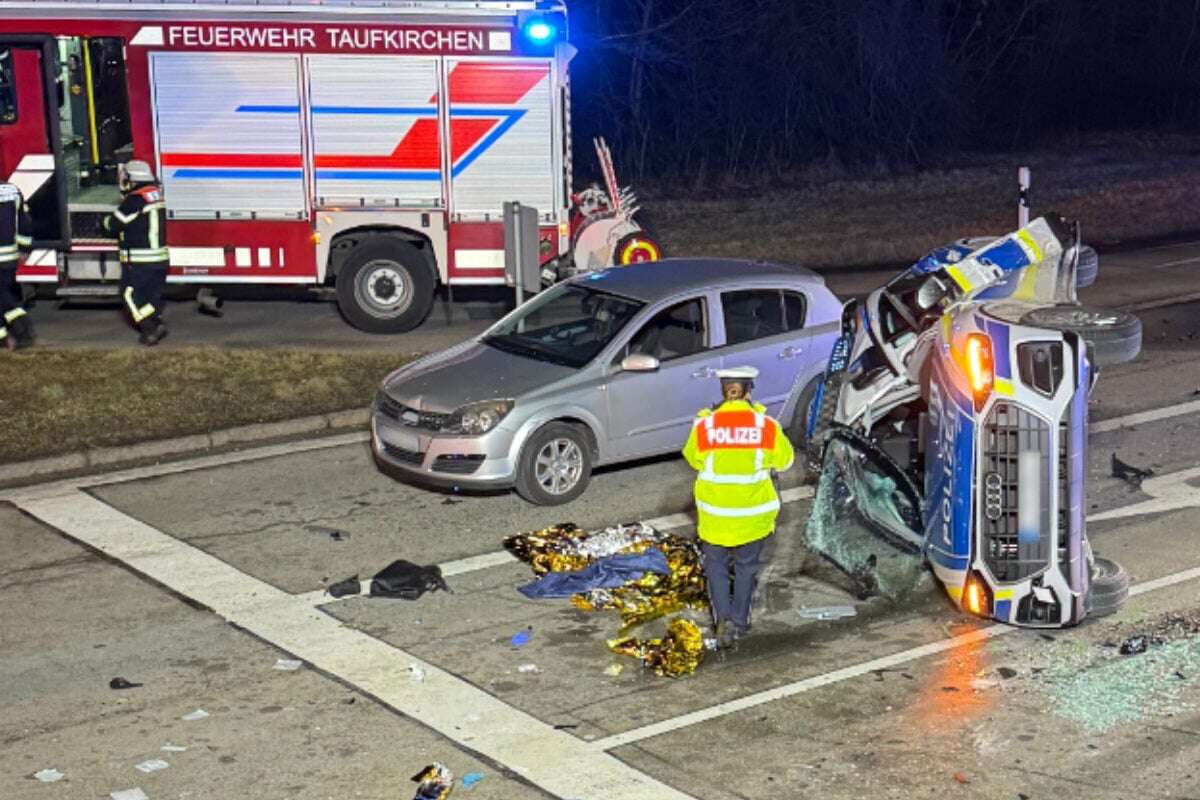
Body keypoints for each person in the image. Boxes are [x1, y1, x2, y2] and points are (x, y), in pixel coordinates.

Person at [682, 366, 794, 649]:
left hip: (715, 516)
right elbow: (785, 461)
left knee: (716, 568)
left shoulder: (705, 425)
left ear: (724, 390)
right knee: (746, 569)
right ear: (747, 390)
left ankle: (723, 619)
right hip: (753, 517)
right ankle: (740, 623)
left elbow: (693, 459)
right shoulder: (764, 425)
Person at [103, 160, 169, 345]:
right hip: (159, 259)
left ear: (132, 178)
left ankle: (150, 329)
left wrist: (103, 222)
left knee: (130, 294)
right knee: (151, 295)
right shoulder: (154, 195)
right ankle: (156, 322)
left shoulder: (135, 199)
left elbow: (113, 225)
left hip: (141, 259)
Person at [0, 181, 35, 350]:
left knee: (5, 300)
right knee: (4, 295)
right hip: (10, 258)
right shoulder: (13, 190)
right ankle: (3, 340)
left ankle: (24, 329)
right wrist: (25, 248)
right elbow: (24, 223)